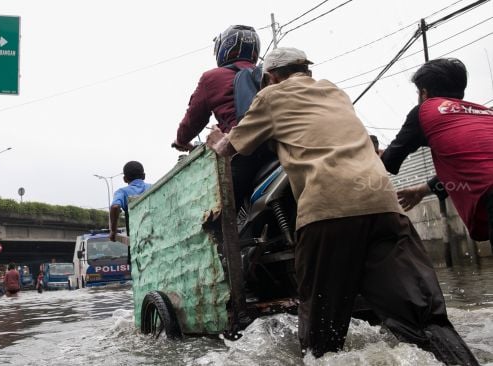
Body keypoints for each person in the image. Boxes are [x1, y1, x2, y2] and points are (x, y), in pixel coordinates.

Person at [206, 47, 478, 364]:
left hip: (327, 213)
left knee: (323, 339)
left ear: (270, 77)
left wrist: (215, 140)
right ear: (307, 70)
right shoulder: (336, 92)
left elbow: (231, 148)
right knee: (424, 319)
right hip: (386, 209)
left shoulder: (270, 96)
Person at [380, 58, 493, 250]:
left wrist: (373, 155)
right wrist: (423, 190)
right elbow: (473, 168)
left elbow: (389, 161)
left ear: (424, 93)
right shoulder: (485, 113)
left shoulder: (424, 111)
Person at [172, 24, 275, 209]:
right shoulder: (269, 73)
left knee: (212, 211)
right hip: (277, 143)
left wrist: (180, 141)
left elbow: (192, 120)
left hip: (239, 151)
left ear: (225, 49)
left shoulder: (212, 78)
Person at [109, 161, 152, 242]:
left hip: (135, 241)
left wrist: (113, 231)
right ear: (144, 176)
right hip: (156, 238)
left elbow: (115, 207)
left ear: (125, 179)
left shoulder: (122, 192)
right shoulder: (152, 188)